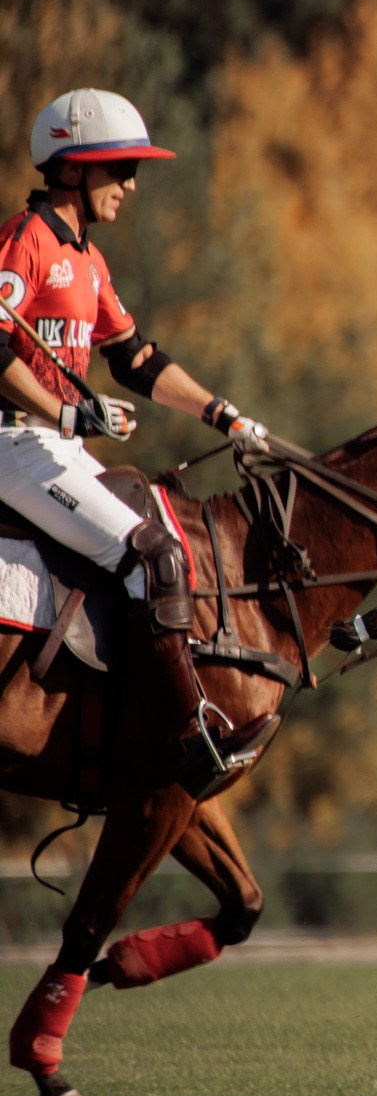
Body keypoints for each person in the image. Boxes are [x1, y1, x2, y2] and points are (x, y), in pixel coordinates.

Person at [0, 88, 279, 792]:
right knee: (154, 556)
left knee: (169, 543)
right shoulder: (24, 241)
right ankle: (186, 732)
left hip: (56, 446)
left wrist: (224, 415)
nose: (130, 184)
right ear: (71, 169)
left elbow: (137, 360)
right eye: (119, 167)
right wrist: (65, 415)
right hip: (14, 443)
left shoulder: (89, 262)